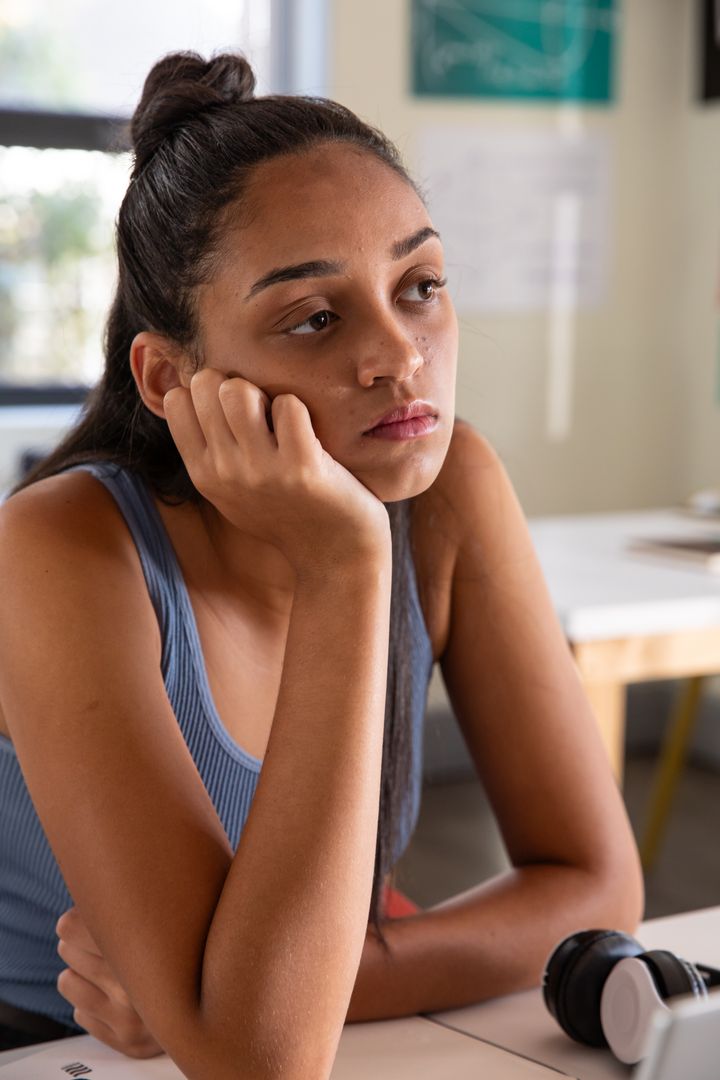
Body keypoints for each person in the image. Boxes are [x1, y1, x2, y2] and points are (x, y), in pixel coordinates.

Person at [0, 50, 643, 1077]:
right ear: (171, 377)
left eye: (420, 285)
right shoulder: (63, 547)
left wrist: (238, 991)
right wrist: (346, 562)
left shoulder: (450, 489)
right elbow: (259, 1058)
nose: (401, 355)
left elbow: (596, 886)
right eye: (315, 317)